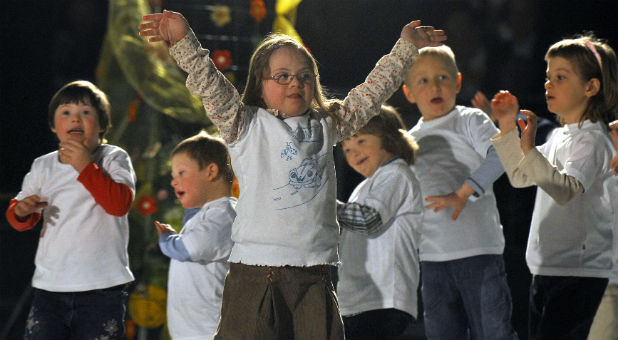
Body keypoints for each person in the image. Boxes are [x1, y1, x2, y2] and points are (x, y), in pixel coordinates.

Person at [139, 9, 446, 340]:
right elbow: (209, 83)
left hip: (316, 277)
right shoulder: (244, 125)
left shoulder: (326, 125)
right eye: (282, 76)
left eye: (304, 76)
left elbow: (370, 95)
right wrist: (184, 39)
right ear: (260, 83)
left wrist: (406, 48)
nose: (295, 82)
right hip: (257, 275)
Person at [490, 34, 618, 339]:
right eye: (548, 77)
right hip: (548, 269)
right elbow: (521, 177)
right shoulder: (561, 136)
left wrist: (529, 147)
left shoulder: (593, 139)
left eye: (561, 77)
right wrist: (508, 127)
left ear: (591, 87)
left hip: (579, 272)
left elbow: (565, 189)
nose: (549, 84)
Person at [402, 45, 518, 339]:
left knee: (493, 333)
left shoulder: (470, 120)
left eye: (442, 76)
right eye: (423, 80)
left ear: (457, 82)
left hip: (479, 250)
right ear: (409, 93)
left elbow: (501, 155)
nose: (435, 86)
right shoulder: (410, 140)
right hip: (432, 258)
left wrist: (463, 193)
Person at [5, 80, 136, 340]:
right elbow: (18, 216)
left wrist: (86, 166)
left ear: (102, 126)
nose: (75, 118)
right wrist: (22, 210)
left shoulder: (113, 158)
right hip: (50, 287)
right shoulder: (43, 165)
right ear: (55, 127)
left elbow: (119, 204)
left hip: (102, 288)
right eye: (66, 112)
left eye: (86, 112)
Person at [336, 105, 423, 340]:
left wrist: (321, 205)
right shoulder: (364, 188)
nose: (353, 153)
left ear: (387, 137)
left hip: (382, 299)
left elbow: (369, 219)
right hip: (358, 301)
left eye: (361, 141)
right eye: (346, 149)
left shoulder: (396, 174)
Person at [154, 131, 237, 340]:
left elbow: (189, 248)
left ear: (211, 172)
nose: (174, 182)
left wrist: (166, 239)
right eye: (173, 176)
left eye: (181, 173)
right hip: (193, 331)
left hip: (209, 332)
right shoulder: (208, 214)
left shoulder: (224, 214)